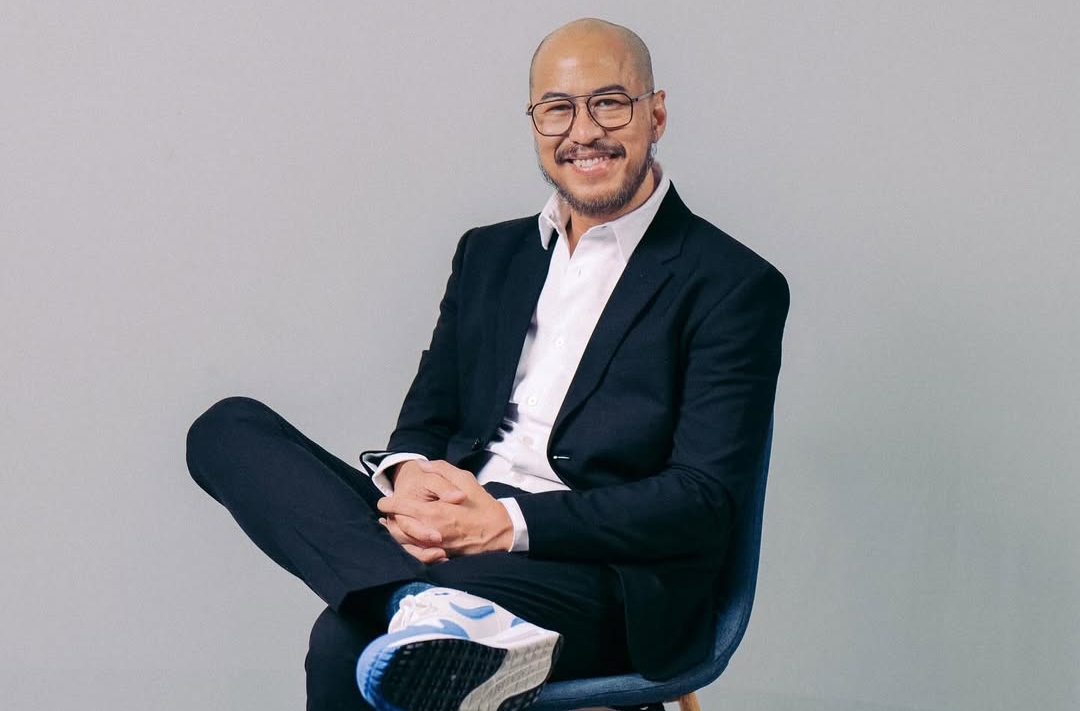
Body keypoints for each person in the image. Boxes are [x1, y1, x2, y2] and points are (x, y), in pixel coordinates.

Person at [186, 17, 789, 711]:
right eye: (557, 109)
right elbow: (428, 417)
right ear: (534, 122)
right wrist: (410, 478)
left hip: (595, 571)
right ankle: (415, 602)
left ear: (656, 114)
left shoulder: (731, 284)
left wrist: (505, 523)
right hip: (451, 536)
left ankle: (417, 605)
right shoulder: (489, 254)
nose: (583, 131)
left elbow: (702, 501)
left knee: (344, 638)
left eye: (610, 103)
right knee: (226, 428)